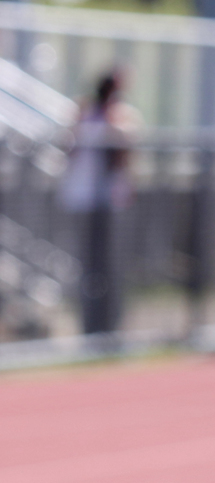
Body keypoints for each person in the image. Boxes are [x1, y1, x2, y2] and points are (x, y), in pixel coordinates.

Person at [60, 70, 138, 335]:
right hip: (84, 200)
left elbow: (126, 149)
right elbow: (69, 146)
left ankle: (111, 327)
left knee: (112, 267)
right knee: (88, 266)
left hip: (111, 203)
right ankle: (89, 325)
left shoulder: (120, 116)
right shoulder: (85, 113)